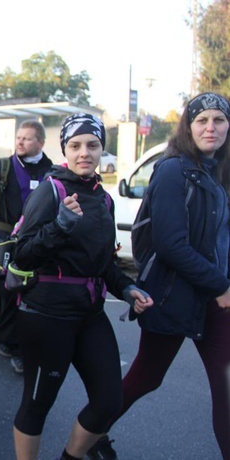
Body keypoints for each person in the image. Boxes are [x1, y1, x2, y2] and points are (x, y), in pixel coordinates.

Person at [89, 92, 230, 460]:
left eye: (219, 120)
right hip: (174, 296)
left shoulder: (221, 171)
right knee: (146, 377)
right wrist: (221, 284)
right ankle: (88, 435)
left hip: (215, 302)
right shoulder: (172, 170)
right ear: (189, 125)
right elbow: (170, 244)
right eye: (202, 120)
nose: (211, 127)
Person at [11, 113, 153, 460]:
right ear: (65, 149)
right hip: (47, 314)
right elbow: (22, 256)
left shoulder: (103, 198)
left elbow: (103, 264)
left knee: (108, 401)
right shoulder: (51, 189)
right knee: (37, 404)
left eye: (92, 145)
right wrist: (61, 225)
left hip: (89, 313)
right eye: (75, 146)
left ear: (103, 149)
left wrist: (128, 290)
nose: (84, 153)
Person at [0, 119, 53, 374]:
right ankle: (0, 337)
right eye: (19, 137)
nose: (20, 142)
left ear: (40, 143)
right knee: (4, 291)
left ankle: (17, 346)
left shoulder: (52, 170)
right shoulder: (1, 167)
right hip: (5, 240)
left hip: (35, 241)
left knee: (26, 292)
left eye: (27, 138)